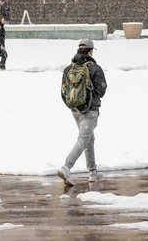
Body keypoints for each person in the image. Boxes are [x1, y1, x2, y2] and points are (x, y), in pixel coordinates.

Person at [56, 38, 108, 187]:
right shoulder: (94, 68)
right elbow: (102, 89)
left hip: (75, 110)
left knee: (88, 139)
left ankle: (92, 172)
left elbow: (63, 91)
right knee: (84, 139)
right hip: (90, 110)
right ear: (90, 51)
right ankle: (66, 167)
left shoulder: (68, 69)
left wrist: (73, 103)